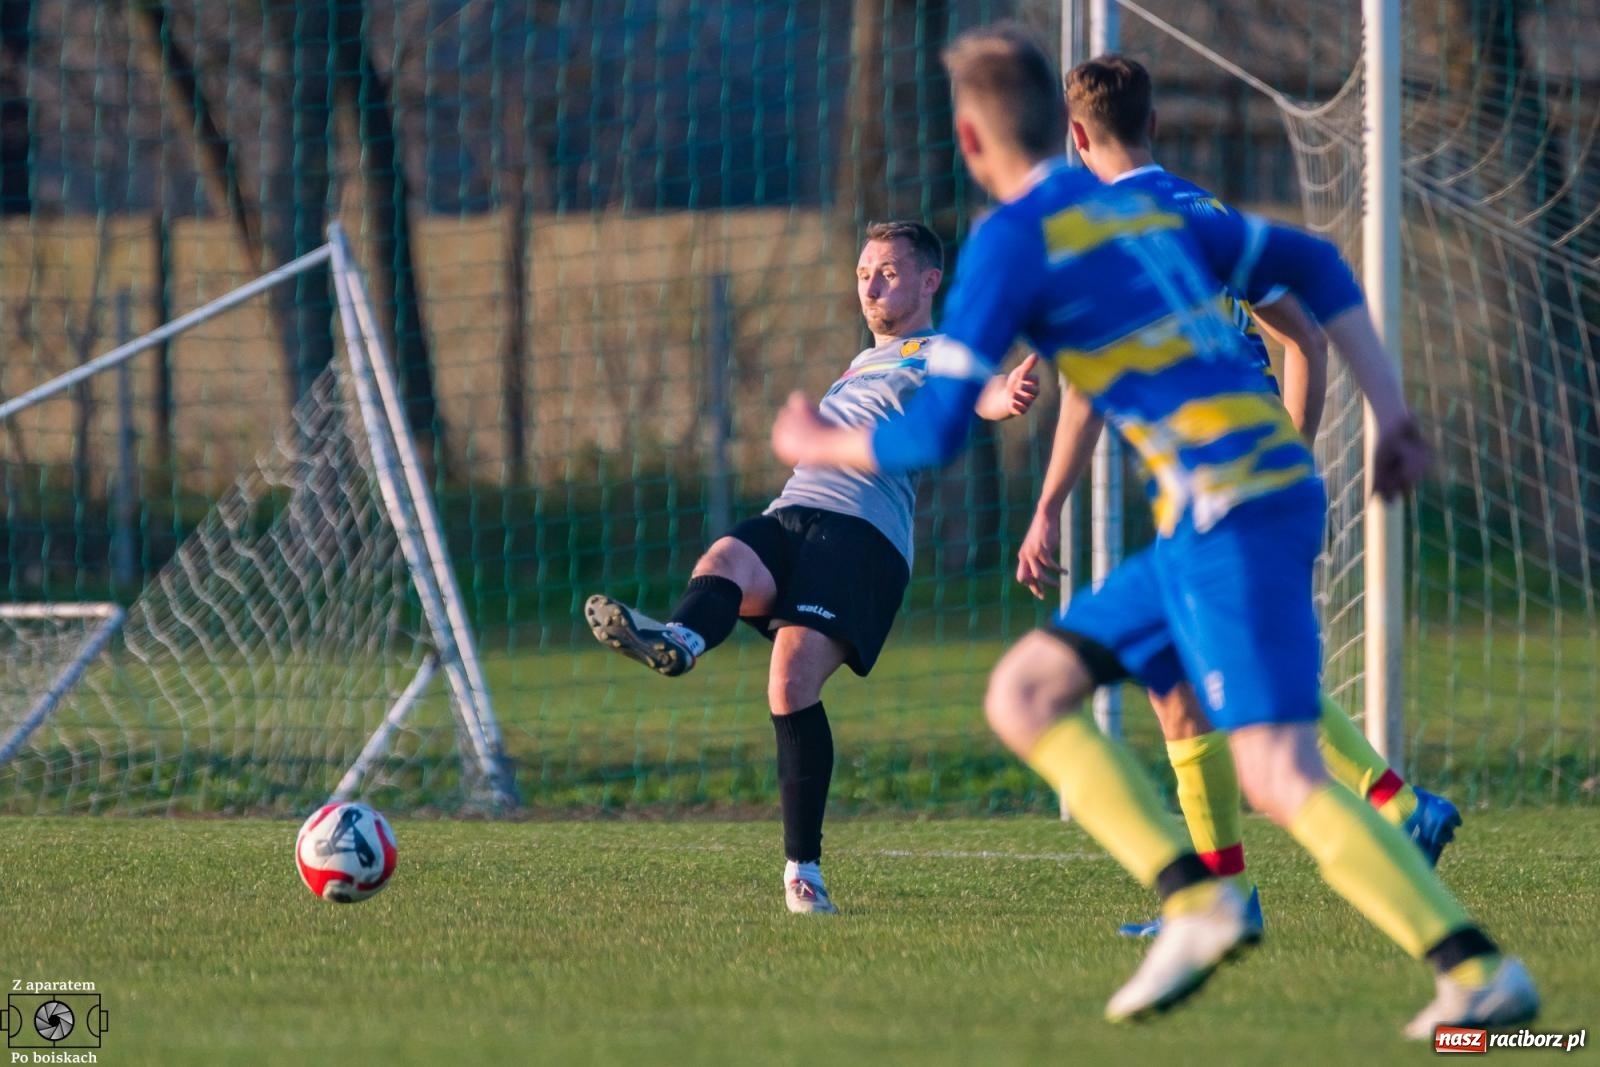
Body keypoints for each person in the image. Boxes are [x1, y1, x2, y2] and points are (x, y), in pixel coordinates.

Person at [770, 23, 1536, 1036]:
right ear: (1066, 127)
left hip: (1229, 511)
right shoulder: (1154, 208)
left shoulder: (1014, 239)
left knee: (1274, 768)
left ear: (969, 138)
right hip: (1231, 509)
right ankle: (1206, 892)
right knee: (1028, 689)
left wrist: (822, 440)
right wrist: (1390, 414)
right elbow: (1314, 266)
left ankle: (1466, 964)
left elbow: (937, 430)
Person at [1014, 54, 1463, 941]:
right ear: (1154, 126)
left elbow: (1088, 390)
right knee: (1183, 684)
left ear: (1074, 137)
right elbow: (1309, 341)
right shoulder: (1208, 214)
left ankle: (1428, 890)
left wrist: (1048, 503)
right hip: (1250, 483)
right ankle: (1242, 885)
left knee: (1230, 703)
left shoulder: (1102, 231)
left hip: (1216, 488)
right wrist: (1293, 456)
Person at [584, 219, 1040, 916]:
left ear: (927, 281)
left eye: (887, 271)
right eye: (862, 273)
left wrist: (1004, 395)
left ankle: (804, 871)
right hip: (797, 509)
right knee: (724, 558)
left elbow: (975, 390)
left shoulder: (942, 348)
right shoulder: (859, 363)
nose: (871, 285)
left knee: (789, 679)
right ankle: (678, 640)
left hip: (862, 538)